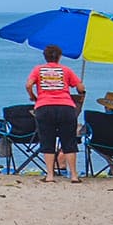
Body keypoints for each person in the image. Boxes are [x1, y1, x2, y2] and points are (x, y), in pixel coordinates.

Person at [25, 43, 84, 182]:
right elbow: (80, 87)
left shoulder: (38, 69)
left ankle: (50, 175)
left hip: (44, 106)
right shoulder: (66, 70)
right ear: (59, 57)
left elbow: (28, 84)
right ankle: (74, 175)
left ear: (45, 57)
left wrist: (33, 96)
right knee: (69, 140)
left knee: (47, 140)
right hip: (66, 107)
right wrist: (80, 91)